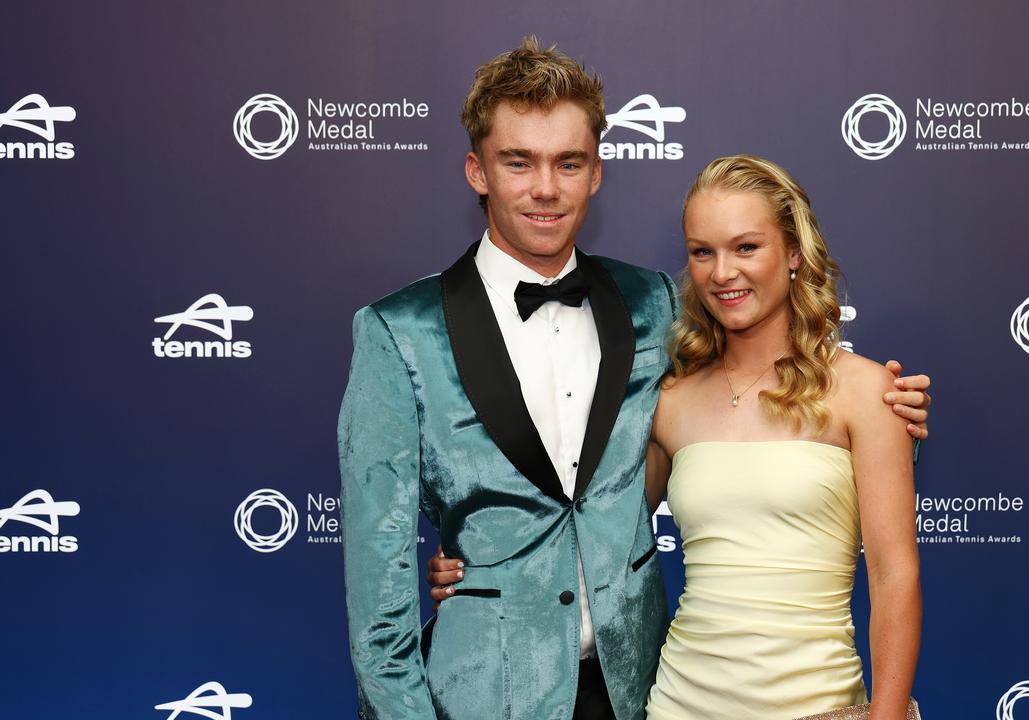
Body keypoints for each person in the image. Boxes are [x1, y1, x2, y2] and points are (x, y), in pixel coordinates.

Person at [343, 39, 932, 720]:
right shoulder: (398, 331)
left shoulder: (652, 304)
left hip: (635, 689)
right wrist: (471, 555)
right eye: (518, 162)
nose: (545, 187)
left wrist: (897, 419)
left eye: (568, 162)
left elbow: (767, 423)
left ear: (597, 172)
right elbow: (378, 578)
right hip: (485, 692)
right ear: (477, 170)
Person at [641, 155, 920, 720]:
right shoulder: (669, 401)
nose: (722, 273)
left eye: (746, 247)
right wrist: (471, 561)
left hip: (818, 708)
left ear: (793, 252)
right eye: (703, 251)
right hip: (677, 708)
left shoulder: (868, 392)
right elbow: (599, 545)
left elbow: (894, 576)